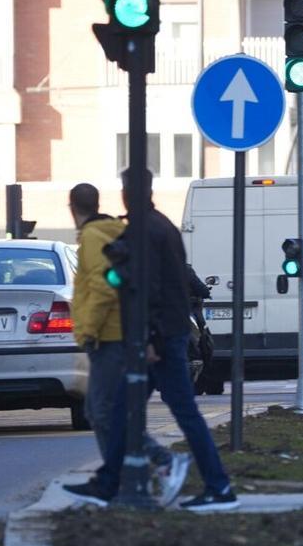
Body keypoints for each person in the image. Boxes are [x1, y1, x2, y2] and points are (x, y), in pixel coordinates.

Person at [61, 182, 189, 507]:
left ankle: (148, 465)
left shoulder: (91, 238)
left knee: (104, 410)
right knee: (107, 410)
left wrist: (86, 331)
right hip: (124, 330)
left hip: (108, 334)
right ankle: (119, 476)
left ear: (72, 207)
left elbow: (103, 287)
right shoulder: (118, 229)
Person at [118, 168, 239, 511]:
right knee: (123, 413)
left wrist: (150, 338)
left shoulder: (147, 231)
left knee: (136, 413)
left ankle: (212, 485)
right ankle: (133, 479)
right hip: (166, 335)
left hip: (160, 340)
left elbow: (152, 291)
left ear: (127, 192)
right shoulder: (161, 226)